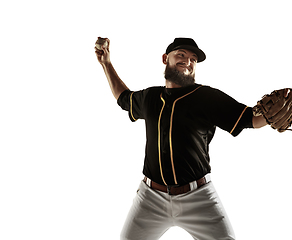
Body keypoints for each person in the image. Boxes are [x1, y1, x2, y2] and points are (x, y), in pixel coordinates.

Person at [95, 37, 268, 240]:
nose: (188, 61)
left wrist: (271, 118)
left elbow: (249, 119)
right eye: (181, 55)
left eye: (194, 59)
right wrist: (106, 64)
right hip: (150, 197)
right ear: (165, 58)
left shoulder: (206, 97)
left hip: (199, 196)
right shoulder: (150, 97)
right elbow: (124, 98)